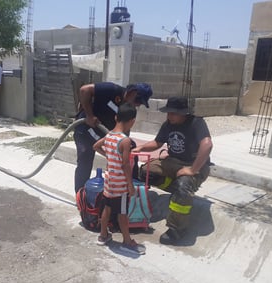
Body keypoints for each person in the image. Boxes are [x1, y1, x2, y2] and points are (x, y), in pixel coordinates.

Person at [133, 96, 213, 245]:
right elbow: (158, 142)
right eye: (168, 112)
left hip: (194, 165)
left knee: (183, 187)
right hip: (173, 162)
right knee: (145, 172)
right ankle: (176, 189)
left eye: (173, 113)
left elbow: (207, 145)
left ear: (183, 113)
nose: (169, 116)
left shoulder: (197, 123)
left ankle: (177, 228)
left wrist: (192, 169)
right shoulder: (168, 124)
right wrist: (141, 147)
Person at [74, 82, 153, 193]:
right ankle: (81, 196)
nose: (137, 104)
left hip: (104, 133)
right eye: (138, 100)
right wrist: (90, 116)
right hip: (86, 128)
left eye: (140, 103)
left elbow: (126, 127)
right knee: (85, 158)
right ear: (132, 92)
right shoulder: (111, 90)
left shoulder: (129, 108)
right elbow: (84, 90)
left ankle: (132, 186)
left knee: (131, 150)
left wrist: (123, 147)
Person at [93, 103, 146, 255]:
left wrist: (109, 156)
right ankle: (127, 241)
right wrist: (130, 185)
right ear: (132, 121)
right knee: (122, 213)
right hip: (120, 184)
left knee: (107, 208)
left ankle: (103, 236)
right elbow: (125, 165)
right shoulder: (125, 140)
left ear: (116, 117)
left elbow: (95, 146)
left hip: (109, 182)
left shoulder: (109, 136)